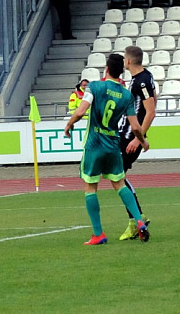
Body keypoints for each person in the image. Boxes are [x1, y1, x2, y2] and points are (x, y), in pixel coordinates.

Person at [64, 53, 150, 245]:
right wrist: (143, 141)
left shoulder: (94, 86)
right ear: (121, 72)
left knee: (90, 187)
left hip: (94, 145)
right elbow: (135, 127)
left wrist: (69, 124)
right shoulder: (126, 95)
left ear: (107, 69)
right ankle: (138, 220)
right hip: (113, 146)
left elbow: (81, 111)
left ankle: (98, 234)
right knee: (120, 184)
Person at [117, 46, 156, 240]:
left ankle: (136, 220)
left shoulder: (141, 81)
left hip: (128, 137)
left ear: (129, 61)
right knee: (117, 176)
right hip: (125, 134)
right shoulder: (144, 77)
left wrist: (138, 138)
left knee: (118, 177)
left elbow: (151, 111)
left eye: (125, 58)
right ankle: (136, 219)